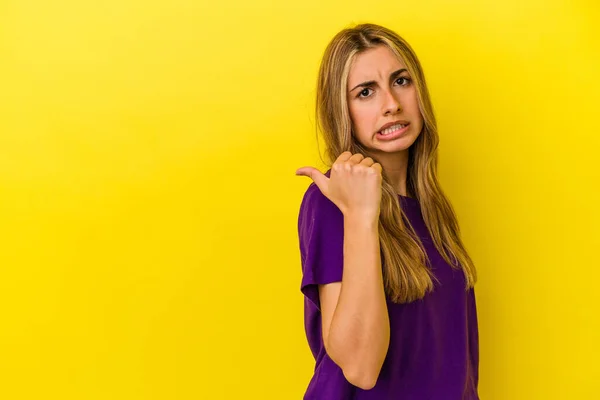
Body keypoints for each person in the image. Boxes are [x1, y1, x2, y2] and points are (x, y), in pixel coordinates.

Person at [295, 23, 480, 399]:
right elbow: (361, 368)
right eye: (366, 92)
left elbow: (454, 360)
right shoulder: (333, 201)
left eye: (401, 81)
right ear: (341, 110)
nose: (391, 104)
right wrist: (361, 215)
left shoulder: (432, 206)